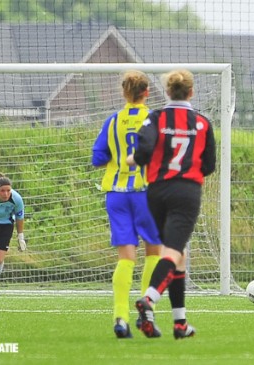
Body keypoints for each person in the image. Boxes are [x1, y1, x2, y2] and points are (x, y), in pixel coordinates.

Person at [128, 69, 216, 339]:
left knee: (178, 254)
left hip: (156, 191)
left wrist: (136, 159)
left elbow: (143, 150)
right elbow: (209, 165)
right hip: (186, 192)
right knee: (174, 251)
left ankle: (180, 323)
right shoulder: (202, 122)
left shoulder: (155, 117)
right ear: (191, 92)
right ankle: (149, 299)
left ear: (167, 92)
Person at [91, 70, 163, 339]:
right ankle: (147, 314)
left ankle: (120, 317)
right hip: (146, 193)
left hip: (117, 195)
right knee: (153, 252)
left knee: (126, 257)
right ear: (147, 93)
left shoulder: (112, 121)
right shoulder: (154, 120)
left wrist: (117, 157)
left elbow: (98, 157)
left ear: (124, 92)